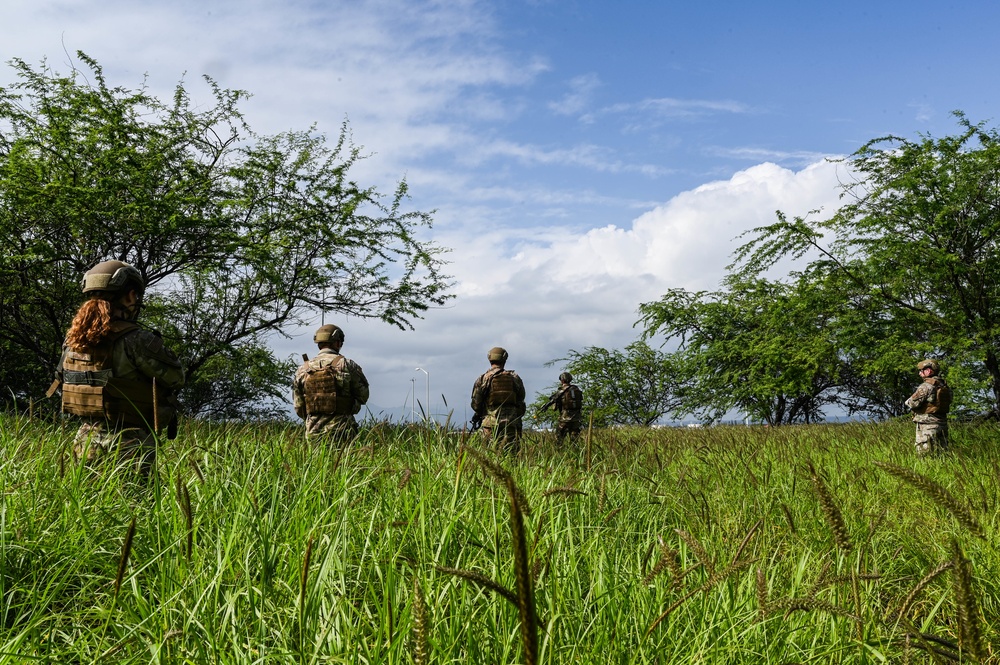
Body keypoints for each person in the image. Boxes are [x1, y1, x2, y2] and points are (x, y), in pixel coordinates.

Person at [49, 260, 185, 478]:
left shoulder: (73, 340)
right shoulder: (136, 339)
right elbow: (176, 378)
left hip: (84, 440)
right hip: (130, 443)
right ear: (131, 296)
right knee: (136, 507)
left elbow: (60, 378)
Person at [292, 324, 370, 444]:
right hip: (343, 429)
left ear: (318, 344)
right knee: (346, 462)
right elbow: (363, 396)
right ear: (338, 343)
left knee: (316, 463)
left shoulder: (303, 369)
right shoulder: (347, 365)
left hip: (313, 431)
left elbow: (299, 407)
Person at [470, 346, 526, 454]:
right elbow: (521, 398)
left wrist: (481, 413)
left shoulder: (482, 379)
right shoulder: (514, 378)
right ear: (504, 358)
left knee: (490, 455)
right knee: (512, 455)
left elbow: (476, 404)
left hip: (490, 424)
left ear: (489, 358)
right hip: (511, 423)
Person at [904, 358, 952, 456]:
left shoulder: (926, 386)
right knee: (942, 454)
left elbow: (912, 403)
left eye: (922, 370)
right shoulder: (944, 386)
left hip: (927, 426)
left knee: (925, 456)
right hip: (942, 424)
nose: (920, 373)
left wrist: (907, 401)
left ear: (929, 370)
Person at [545, 372, 584, 445]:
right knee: (574, 441)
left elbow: (554, 404)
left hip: (565, 418)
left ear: (562, 380)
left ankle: (559, 453)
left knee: (559, 439)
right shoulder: (576, 389)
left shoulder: (561, 391)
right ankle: (576, 453)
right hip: (576, 418)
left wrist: (546, 406)